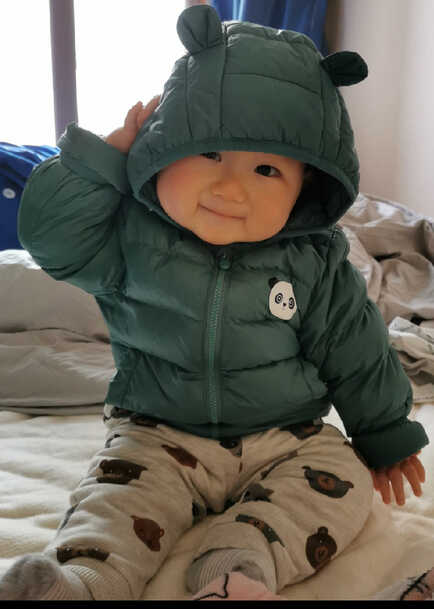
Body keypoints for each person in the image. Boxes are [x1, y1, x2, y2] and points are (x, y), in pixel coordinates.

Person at [0, 4, 430, 602]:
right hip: (158, 433)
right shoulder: (128, 238)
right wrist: (99, 163)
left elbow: (353, 347)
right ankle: (80, 583)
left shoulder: (312, 260)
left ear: (305, 188)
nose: (231, 188)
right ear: (163, 147)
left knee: (341, 480)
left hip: (286, 435)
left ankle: (240, 563)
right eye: (208, 154)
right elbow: (52, 240)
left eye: (265, 169)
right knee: (118, 499)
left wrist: (383, 431)